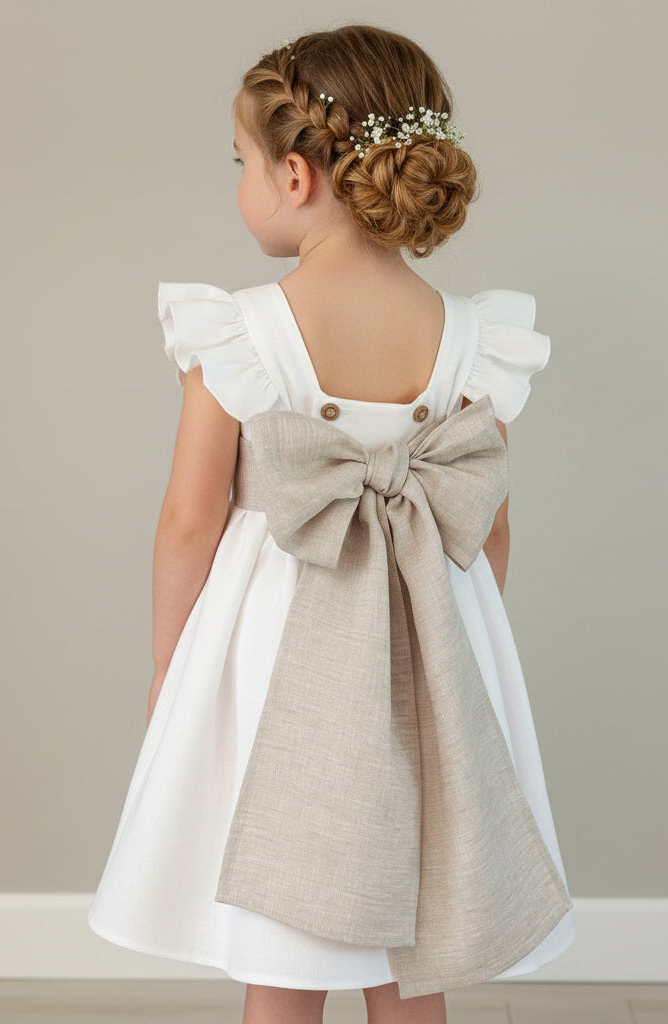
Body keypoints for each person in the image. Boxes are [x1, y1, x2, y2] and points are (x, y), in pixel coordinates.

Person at [87, 24, 576, 1024]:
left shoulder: (238, 332)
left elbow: (189, 520)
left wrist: (169, 664)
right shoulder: (474, 339)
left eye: (243, 163)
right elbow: (487, 525)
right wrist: (462, 647)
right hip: (427, 647)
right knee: (412, 946)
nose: (241, 184)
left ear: (298, 176)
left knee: (289, 934)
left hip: (274, 651)